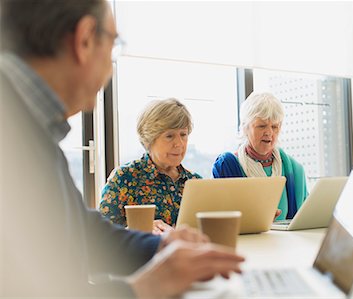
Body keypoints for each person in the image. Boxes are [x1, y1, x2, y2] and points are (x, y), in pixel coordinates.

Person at [0, 1, 244, 298]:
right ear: (86, 39)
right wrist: (143, 287)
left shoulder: (31, 129)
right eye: (114, 45)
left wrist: (161, 247)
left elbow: (82, 231)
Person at [99, 99, 201, 234]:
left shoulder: (195, 182)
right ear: (149, 139)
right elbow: (99, 236)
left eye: (183, 134)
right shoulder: (124, 178)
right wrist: (140, 228)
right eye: (169, 136)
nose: (179, 143)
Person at [212, 92, 308, 220]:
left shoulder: (295, 170)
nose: (269, 132)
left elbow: (304, 221)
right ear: (245, 127)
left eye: (274, 126)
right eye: (261, 126)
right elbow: (219, 221)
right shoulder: (226, 166)